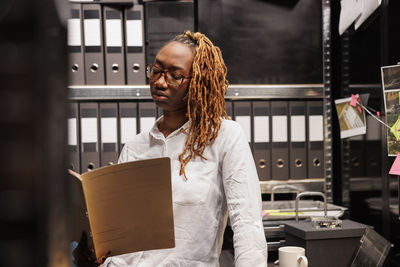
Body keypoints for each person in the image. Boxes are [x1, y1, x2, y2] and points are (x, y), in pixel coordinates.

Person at [74, 31, 268, 267]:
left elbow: (247, 224)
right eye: (156, 71)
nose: (159, 82)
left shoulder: (223, 136)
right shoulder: (136, 146)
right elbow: (124, 238)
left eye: (175, 76)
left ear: (199, 81)